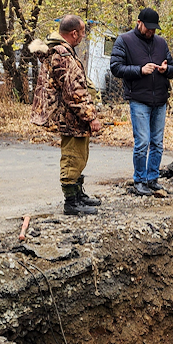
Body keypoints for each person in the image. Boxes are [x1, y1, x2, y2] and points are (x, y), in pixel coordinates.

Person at [30, 15, 104, 215]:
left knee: (80, 155)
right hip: (70, 116)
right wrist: (91, 116)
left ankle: (78, 194)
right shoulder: (63, 55)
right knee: (72, 156)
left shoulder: (62, 52)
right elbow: (74, 92)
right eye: (82, 33)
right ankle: (71, 202)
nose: (83, 36)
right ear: (74, 33)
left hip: (73, 116)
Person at [109, 8, 173, 196]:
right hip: (139, 99)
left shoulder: (161, 43)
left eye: (155, 29)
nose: (151, 32)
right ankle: (139, 180)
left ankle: (152, 178)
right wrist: (140, 70)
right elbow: (115, 67)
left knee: (157, 142)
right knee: (142, 141)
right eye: (149, 28)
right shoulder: (124, 40)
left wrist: (166, 69)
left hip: (160, 99)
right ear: (139, 22)